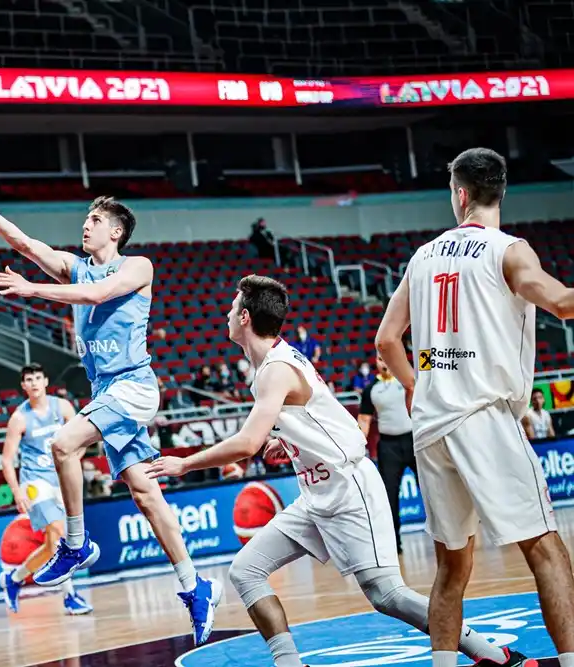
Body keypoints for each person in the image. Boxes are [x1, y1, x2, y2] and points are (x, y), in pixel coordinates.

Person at [147, 275, 524, 667]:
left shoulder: (276, 369)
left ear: (244, 317)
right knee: (246, 571)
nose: (225, 313)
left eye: (231, 307)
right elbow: (316, 412)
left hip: (350, 487)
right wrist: (290, 441)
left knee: (387, 595)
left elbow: (246, 444)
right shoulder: (275, 362)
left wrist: (185, 462)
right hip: (316, 495)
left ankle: (494, 655)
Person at [0, 188, 220, 645]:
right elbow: (25, 245)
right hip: (107, 391)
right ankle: (195, 585)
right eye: (86, 219)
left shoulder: (137, 266)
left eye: (94, 219)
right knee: (146, 495)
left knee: (62, 443)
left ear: (116, 230)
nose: (85, 224)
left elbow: (97, 295)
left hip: (134, 386)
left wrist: (33, 289)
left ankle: (75, 542)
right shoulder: (74, 265)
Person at [376, 147, 571, 667]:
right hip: (482, 417)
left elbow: (386, 341)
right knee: (546, 550)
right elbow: (563, 303)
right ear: (497, 193)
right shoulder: (509, 251)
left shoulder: (422, 257)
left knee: (450, 568)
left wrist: (417, 387)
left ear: (460, 195)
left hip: (432, 426)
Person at [0, 363, 91, 616]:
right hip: (34, 483)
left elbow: (83, 437)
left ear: (46, 380)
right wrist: (17, 492)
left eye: (38, 378)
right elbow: (7, 460)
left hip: (59, 479)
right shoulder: (19, 418)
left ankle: (14, 578)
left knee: (54, 546)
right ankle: (70, 596)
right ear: (23, 385)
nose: (34, 383)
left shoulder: (61, 407)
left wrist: (73, 457)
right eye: (29, 379)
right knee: (60, 533)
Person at [357, 354, 414, 553]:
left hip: (414, 440)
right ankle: (394, 544)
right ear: (376, 362)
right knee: (389, 496)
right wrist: (355, 446)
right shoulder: (370, 390)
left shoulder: (408, 378)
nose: (384, 362)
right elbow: (364, 420)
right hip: (389, 446)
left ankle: (446, 536)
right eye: (380, 359)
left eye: (386, 358)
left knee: (431, 489)